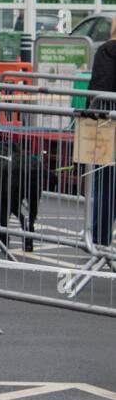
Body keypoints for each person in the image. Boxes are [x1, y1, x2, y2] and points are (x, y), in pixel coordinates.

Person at [85, 23, 116, 248]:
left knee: (105, 183)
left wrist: (90, 115)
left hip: (108, 124)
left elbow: (99, 86)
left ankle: (100, 238)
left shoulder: (107, 51)